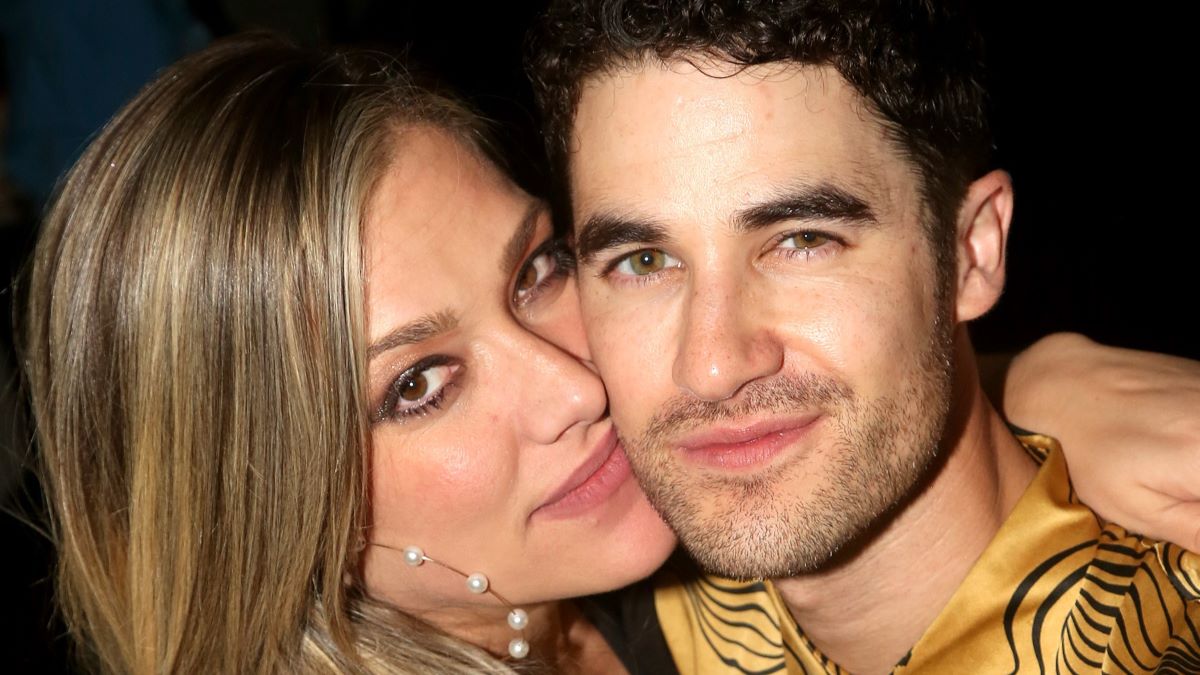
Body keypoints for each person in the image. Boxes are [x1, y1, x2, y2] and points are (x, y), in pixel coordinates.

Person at [20, 32, 1197, 675]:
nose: (580, 385)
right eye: (417, 386)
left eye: (539, 271)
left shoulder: (651, 592)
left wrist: (1021, 387)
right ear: (271, 510)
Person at [527, 0, 1200, 673]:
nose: (711, 366)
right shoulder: (608, 619)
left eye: (803, 240)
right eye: (644, 261)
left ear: (972, 252)